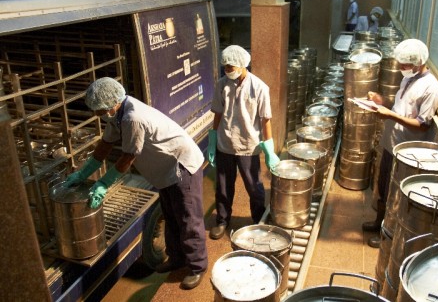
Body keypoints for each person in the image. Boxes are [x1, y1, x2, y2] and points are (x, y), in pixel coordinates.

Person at [63, 77, 208, 289]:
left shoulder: (132, 118)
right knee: (171, 215)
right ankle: (177, 259)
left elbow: (127, 157)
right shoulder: (117, 114)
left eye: (100, 111)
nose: (97, 115)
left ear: (113, 104)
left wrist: (103, 184)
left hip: (181, 166)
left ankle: (197, 266)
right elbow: (105, 145)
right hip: (164, 169)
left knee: (188, 218)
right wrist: (83, 173)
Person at [361, 39, 438, 248]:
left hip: (407, 152)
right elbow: (399, 109)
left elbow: (422, 125)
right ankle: (379, 223)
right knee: (383, 188)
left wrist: (389, 115)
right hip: (392, 145)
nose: (400, 68)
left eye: (404, 65)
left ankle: (387, 236)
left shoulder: (431, 88)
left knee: (396, 196)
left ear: (419, 62)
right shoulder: (408, 80)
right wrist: (382, 102)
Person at [207, 45, 280, 240]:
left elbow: (265, 120)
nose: (227, 70)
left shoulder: (259, 87)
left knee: (254, 186)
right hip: (225, 143)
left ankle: (258, 219)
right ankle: (222, 220)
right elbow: (218, 113)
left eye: (230, 67)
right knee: (223, 186)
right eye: (225, 67)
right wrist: (213, 139)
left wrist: (270, 149)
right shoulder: (222, 85)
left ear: (241, 64)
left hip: (249, 145)